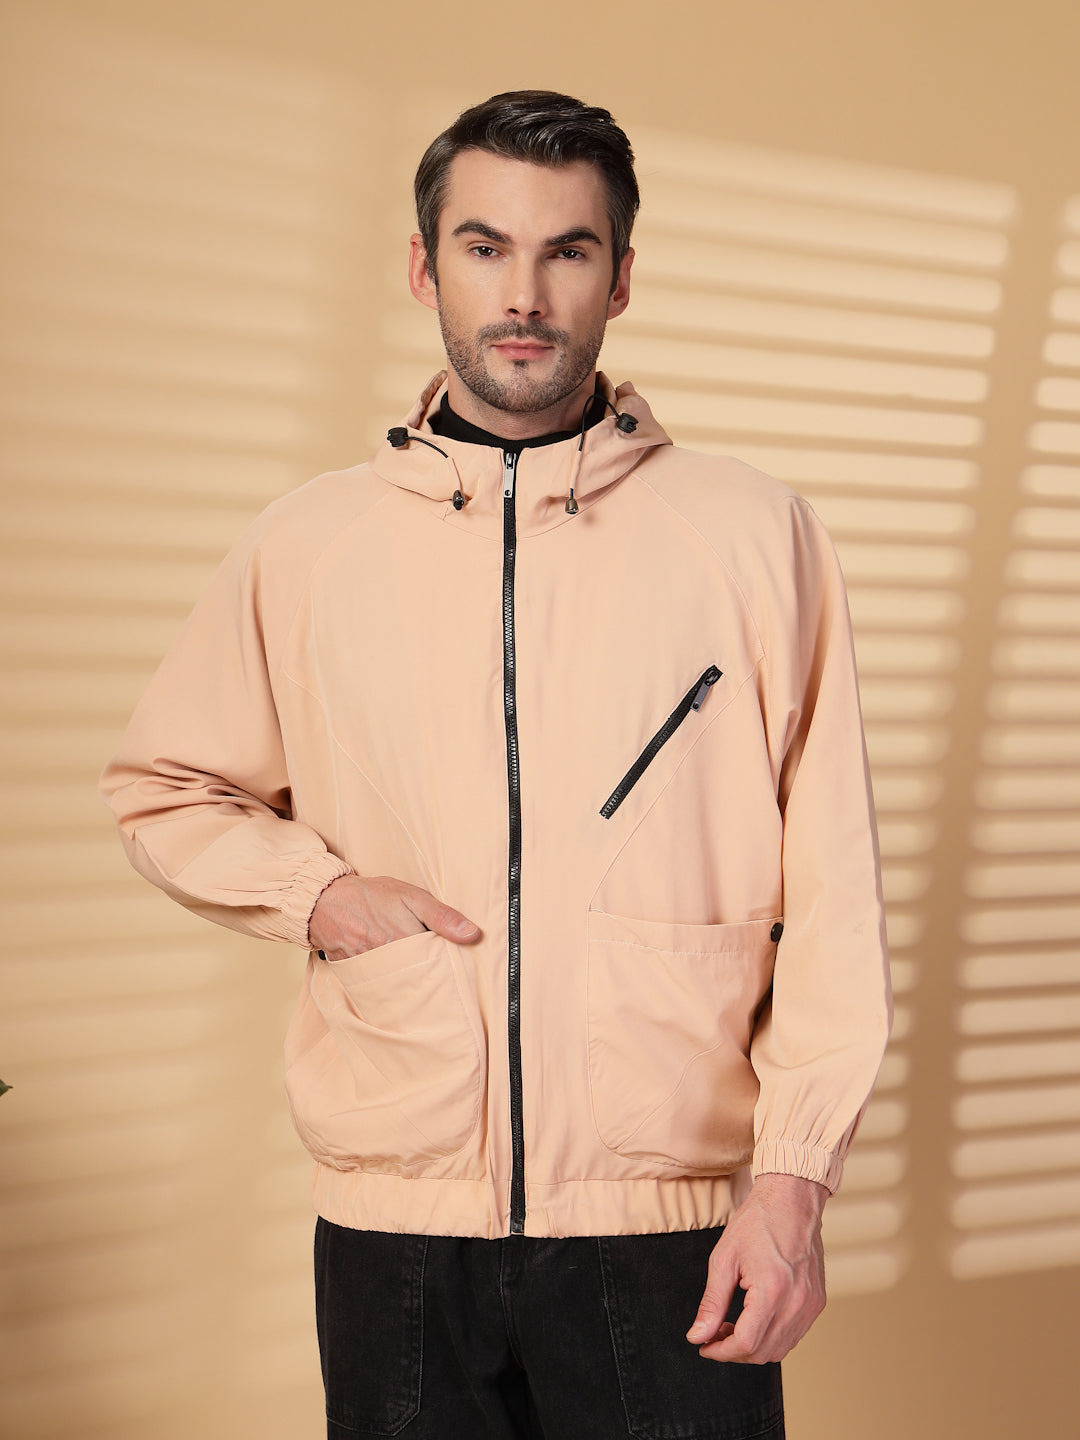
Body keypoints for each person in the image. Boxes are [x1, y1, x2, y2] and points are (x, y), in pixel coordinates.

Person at [100, 90, 892, 1439]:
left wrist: (795, 1181)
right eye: (484, 248)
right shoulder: (308, 547)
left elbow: (835, 889)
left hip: (672, 1226)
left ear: (620, 277)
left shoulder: (755, 538)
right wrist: (321, 896)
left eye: (566, 251)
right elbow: (165, 787)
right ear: (424, 268)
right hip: (397, 1229)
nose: (522, 295)